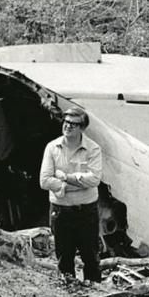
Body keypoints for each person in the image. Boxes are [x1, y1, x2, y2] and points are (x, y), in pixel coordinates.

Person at [39, 106, 103, 284]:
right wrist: (74, 185)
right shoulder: (52, 148)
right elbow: (44, 181)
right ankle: (69, 291)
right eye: (66, 122)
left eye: (74, 124)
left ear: (82, 128)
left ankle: (95, 292)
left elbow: (95, 179)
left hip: (86, 211)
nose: (68, 127)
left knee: (90, 256)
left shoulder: (93, 149)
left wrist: (65, 179)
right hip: (61, 211)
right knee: (64, 256)